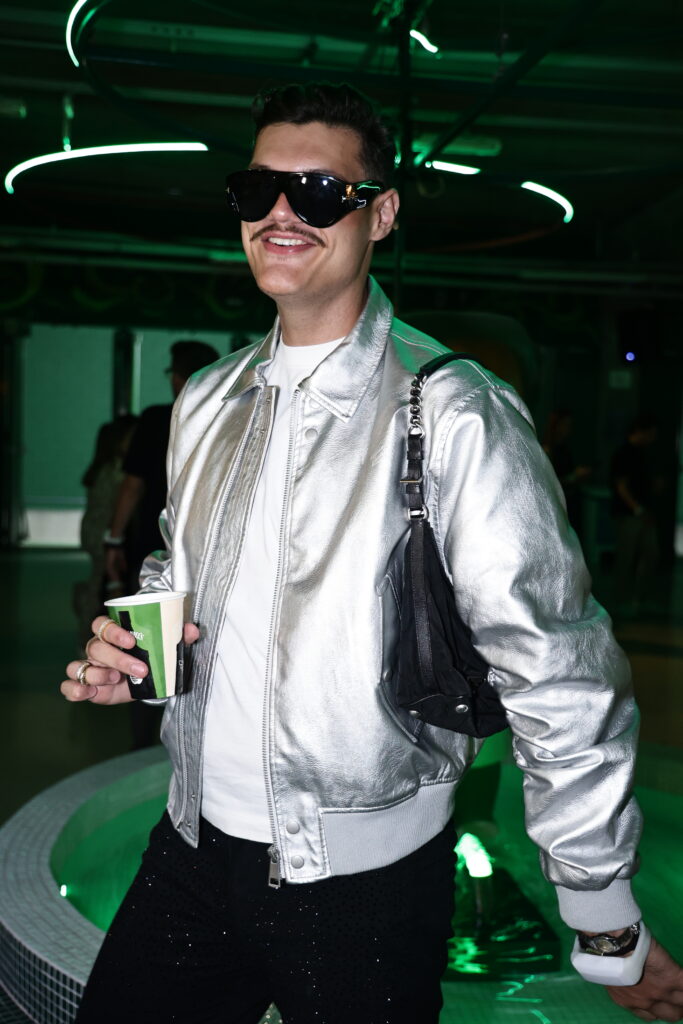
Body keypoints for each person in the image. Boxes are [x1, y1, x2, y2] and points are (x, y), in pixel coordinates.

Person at [61, 83, 682, 1024]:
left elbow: (559, 671)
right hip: (190, 849)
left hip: (364, 891)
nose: (280, 214)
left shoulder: (454, 411)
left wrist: (600, 913)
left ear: (380, 214)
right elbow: (176, 575)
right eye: (257, 189)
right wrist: (139, 659)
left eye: (317, 191)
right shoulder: (209, 398)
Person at [104, 339, 220, 595]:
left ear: (178, 378)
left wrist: (114, 539)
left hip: (157, 543)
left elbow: (132, 486)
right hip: (213, 543)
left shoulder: (156, 420)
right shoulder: (230, 421)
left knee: (150, 612)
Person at [610, 414, 661, 616]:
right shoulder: (624, 454)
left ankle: (640, 598)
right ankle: (622, 600)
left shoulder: (642, 454)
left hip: (642, 512)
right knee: (626, 557)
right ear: (640, 431)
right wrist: (637, 509)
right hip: (630, 514)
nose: (653, 438)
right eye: (651, 433)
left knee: (650, 554)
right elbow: (621, 487)